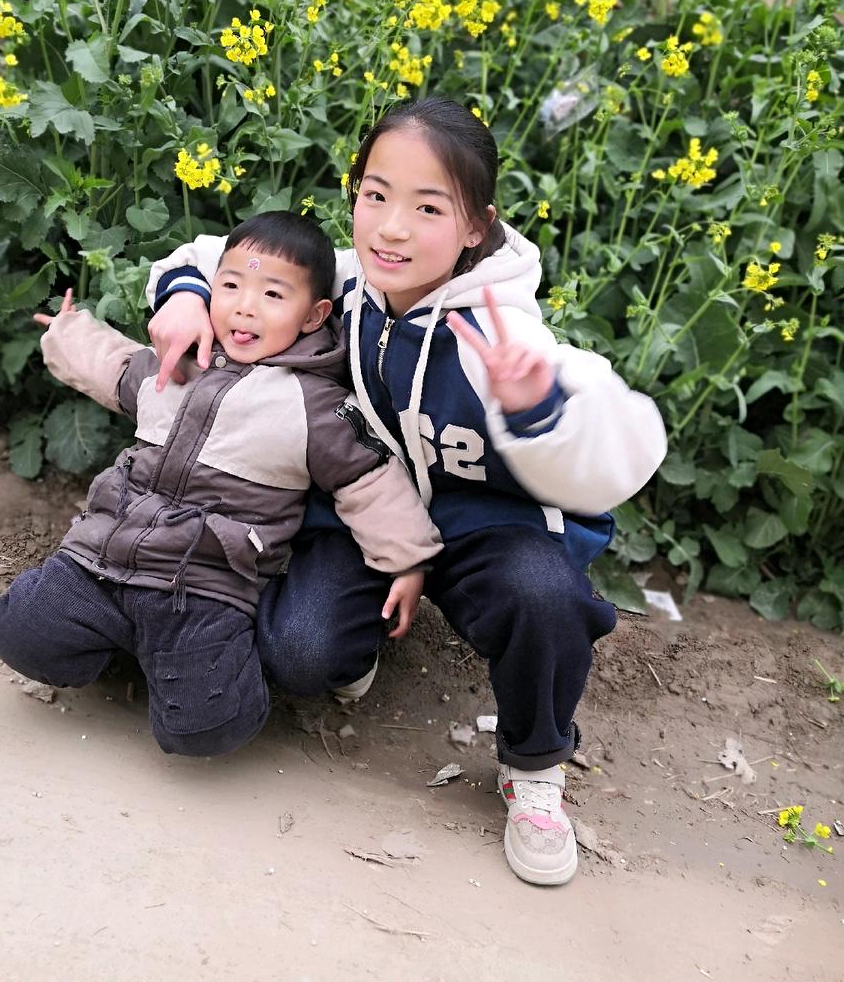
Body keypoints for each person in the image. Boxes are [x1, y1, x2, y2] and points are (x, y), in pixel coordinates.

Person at [144, 98, 667, 885]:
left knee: (542, 595)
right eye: (375, 195)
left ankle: (534, 764)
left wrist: (539, 412)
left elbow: (625, 441)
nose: (390, 227)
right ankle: (366, 641)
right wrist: (184, 295)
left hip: (488, 529)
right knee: (300, 654)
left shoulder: (502, 329)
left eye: (428, 208)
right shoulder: (343, 286)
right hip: (371, 518)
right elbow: (214, 253)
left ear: (475, 227)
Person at [0, 211, 441, 759]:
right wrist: (66, 332)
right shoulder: (181, 360)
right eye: (230, 286)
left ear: (314, 315)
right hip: (101, 559)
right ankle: (127, 648)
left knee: (205, 728)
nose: (245, 306)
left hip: (201, 587)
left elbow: (371, 481)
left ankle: (198, 665)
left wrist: (408, 561)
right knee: (16, 630)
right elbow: (114, 366)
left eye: (273, 295)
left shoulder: (314, 406)